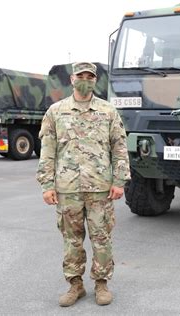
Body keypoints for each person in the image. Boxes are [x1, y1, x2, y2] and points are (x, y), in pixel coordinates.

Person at [36, 62, 130, 307]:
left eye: (90, 76)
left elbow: (119, 148)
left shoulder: (108, 111)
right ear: (72, 79)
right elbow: (47, 151)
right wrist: (47, 184)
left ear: (95, 80)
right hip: (68, 189)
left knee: (102, 238)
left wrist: (119, 180)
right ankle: (75, 285)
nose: (85, 80)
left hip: (100, 188)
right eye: (81, 76)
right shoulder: (56, 112)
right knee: (72, 240)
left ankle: (101, 284)